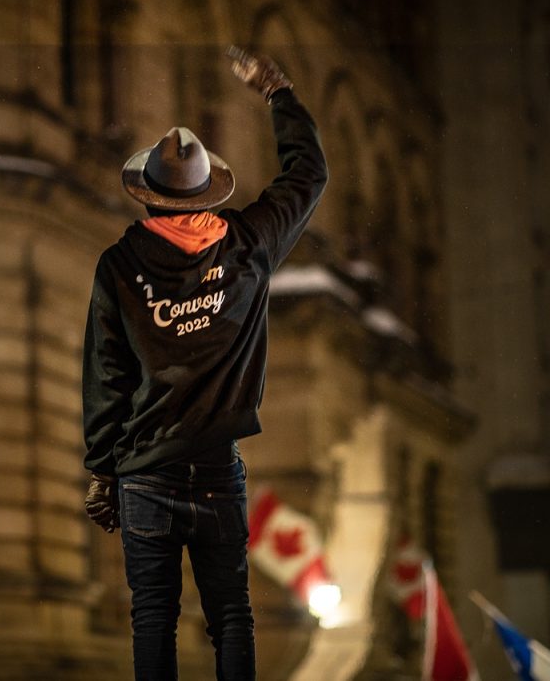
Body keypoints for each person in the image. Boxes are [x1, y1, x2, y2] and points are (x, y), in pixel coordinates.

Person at [81, 46, 328, 680]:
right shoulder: (248, 245)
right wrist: (277, 92)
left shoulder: (118, 266)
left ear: (148, 197)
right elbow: (308, 175)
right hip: (218, 469)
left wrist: (103, 471)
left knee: (154, 618)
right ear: (206, 193)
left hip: (145, 472)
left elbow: (108, 376)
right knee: (232, 616)